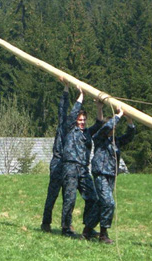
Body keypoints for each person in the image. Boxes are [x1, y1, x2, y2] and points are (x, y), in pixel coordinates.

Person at [61, 86, 104, 239]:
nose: (82, 122)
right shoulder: (70, 128)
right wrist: (81, 95)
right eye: (80, 120)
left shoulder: (87, 133)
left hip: (83, 169)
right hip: (70, 167)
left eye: (84, 120)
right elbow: (72, 114)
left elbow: (99, 124)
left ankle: (89, 227)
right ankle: (66, 228)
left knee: (93, 198)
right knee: (70, 198)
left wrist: (99, 107)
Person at [92, 107, 135, 244]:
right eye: (111, 127)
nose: (112, 129)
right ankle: (103, 234)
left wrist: (129, 120)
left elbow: (129, 136)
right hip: (100, 174)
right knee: (109, 203)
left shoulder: (115, 141)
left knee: (101, 204)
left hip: (111, 175)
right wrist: (119, 115)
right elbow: (107, 127)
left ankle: (87, 230)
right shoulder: (99, 137)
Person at [41, 80, 70, 233]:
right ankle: (46, 223)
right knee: (52, 195)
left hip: (69, 166)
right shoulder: (62, 126)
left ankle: (66, 225)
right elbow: (62, 110)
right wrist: (66, 89)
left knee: (68, 197)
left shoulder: (75, 131)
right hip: (58, 163)